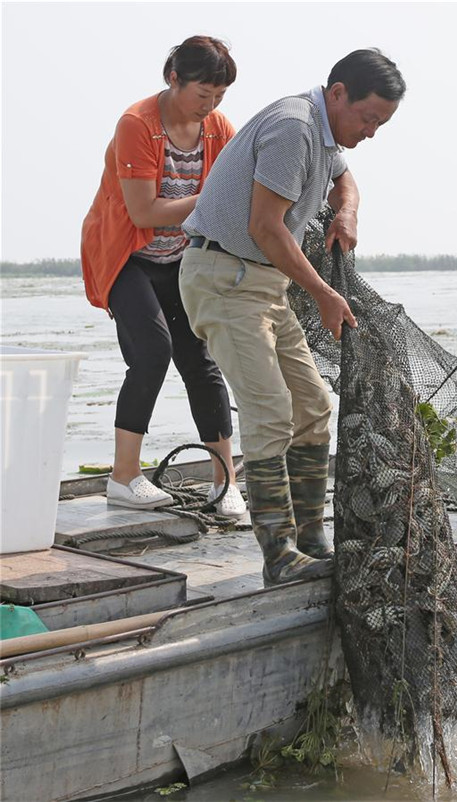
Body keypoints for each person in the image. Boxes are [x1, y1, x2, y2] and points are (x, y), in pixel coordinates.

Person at [179, 49, 406, 584]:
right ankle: (279, 555)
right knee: (271, 412)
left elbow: (345, 182)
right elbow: (265, 227)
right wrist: (325, 293)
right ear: (338, 93)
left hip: (264, 284)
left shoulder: (328, 136)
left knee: (312, 405)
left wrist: (346, 211)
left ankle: (310, 540)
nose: (371, 131)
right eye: (367, 117)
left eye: (381, 124)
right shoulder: (294, 129)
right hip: (224, 278)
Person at [81, 36, 246, 516]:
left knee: (201, 357)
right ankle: (123, 478)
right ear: (173, 78)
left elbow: (239, 190)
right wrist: (212, 200)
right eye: (202, 95)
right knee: (153, 351)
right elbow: (144, 211)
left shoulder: (218, 128)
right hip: (125, 253)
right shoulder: (137, 124)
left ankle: (226, 484)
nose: (210, 107)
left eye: (219, 97)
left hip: (180, 257)